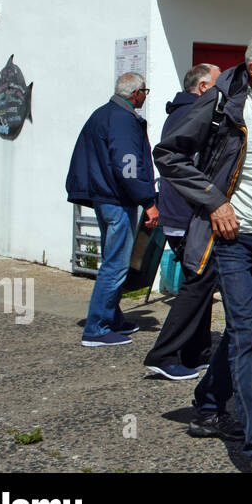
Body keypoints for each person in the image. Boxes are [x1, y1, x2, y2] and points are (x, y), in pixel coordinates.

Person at [154, 24, 252, 474]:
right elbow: (168, 155)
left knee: (247, 327)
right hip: (231, 240)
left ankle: (206, 406)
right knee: (246, 336)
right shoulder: (222, 104)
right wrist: (215, 201)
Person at [66, 73, 160, 347]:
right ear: (136, 93)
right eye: (145, 91)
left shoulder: (103, 114)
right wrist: (148, 200)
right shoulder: (123, 119)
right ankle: (97, 327)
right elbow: (128, 164)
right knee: (116, 264)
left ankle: (113, 317)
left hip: (104, 196)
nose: (145, 96)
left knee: (113, 259)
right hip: (118, 199)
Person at [143, 63, 220, 379]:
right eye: (217, 84)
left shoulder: (184, 112)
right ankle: (165, 353)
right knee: (199, 281)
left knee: (201, 280)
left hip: (185, 213)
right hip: (187, 214)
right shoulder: (192, 115)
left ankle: (196, 351)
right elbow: (184, 168)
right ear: (203, 87)